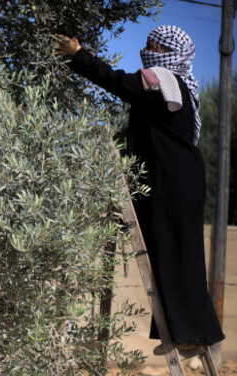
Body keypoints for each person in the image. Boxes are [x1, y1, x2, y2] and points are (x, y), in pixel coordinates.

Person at [55, 25, 224, 354]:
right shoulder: (174, 84)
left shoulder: (164, 77)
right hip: (178, 179)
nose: (146, 49)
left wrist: (78, 57)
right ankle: (185, 334)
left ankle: (189, 334)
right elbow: (135, 94)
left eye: (152, 44)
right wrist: (87, 55)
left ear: (165, 50)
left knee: (174, 253)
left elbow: (121, 83)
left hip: (172, 181)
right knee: (175, 253)